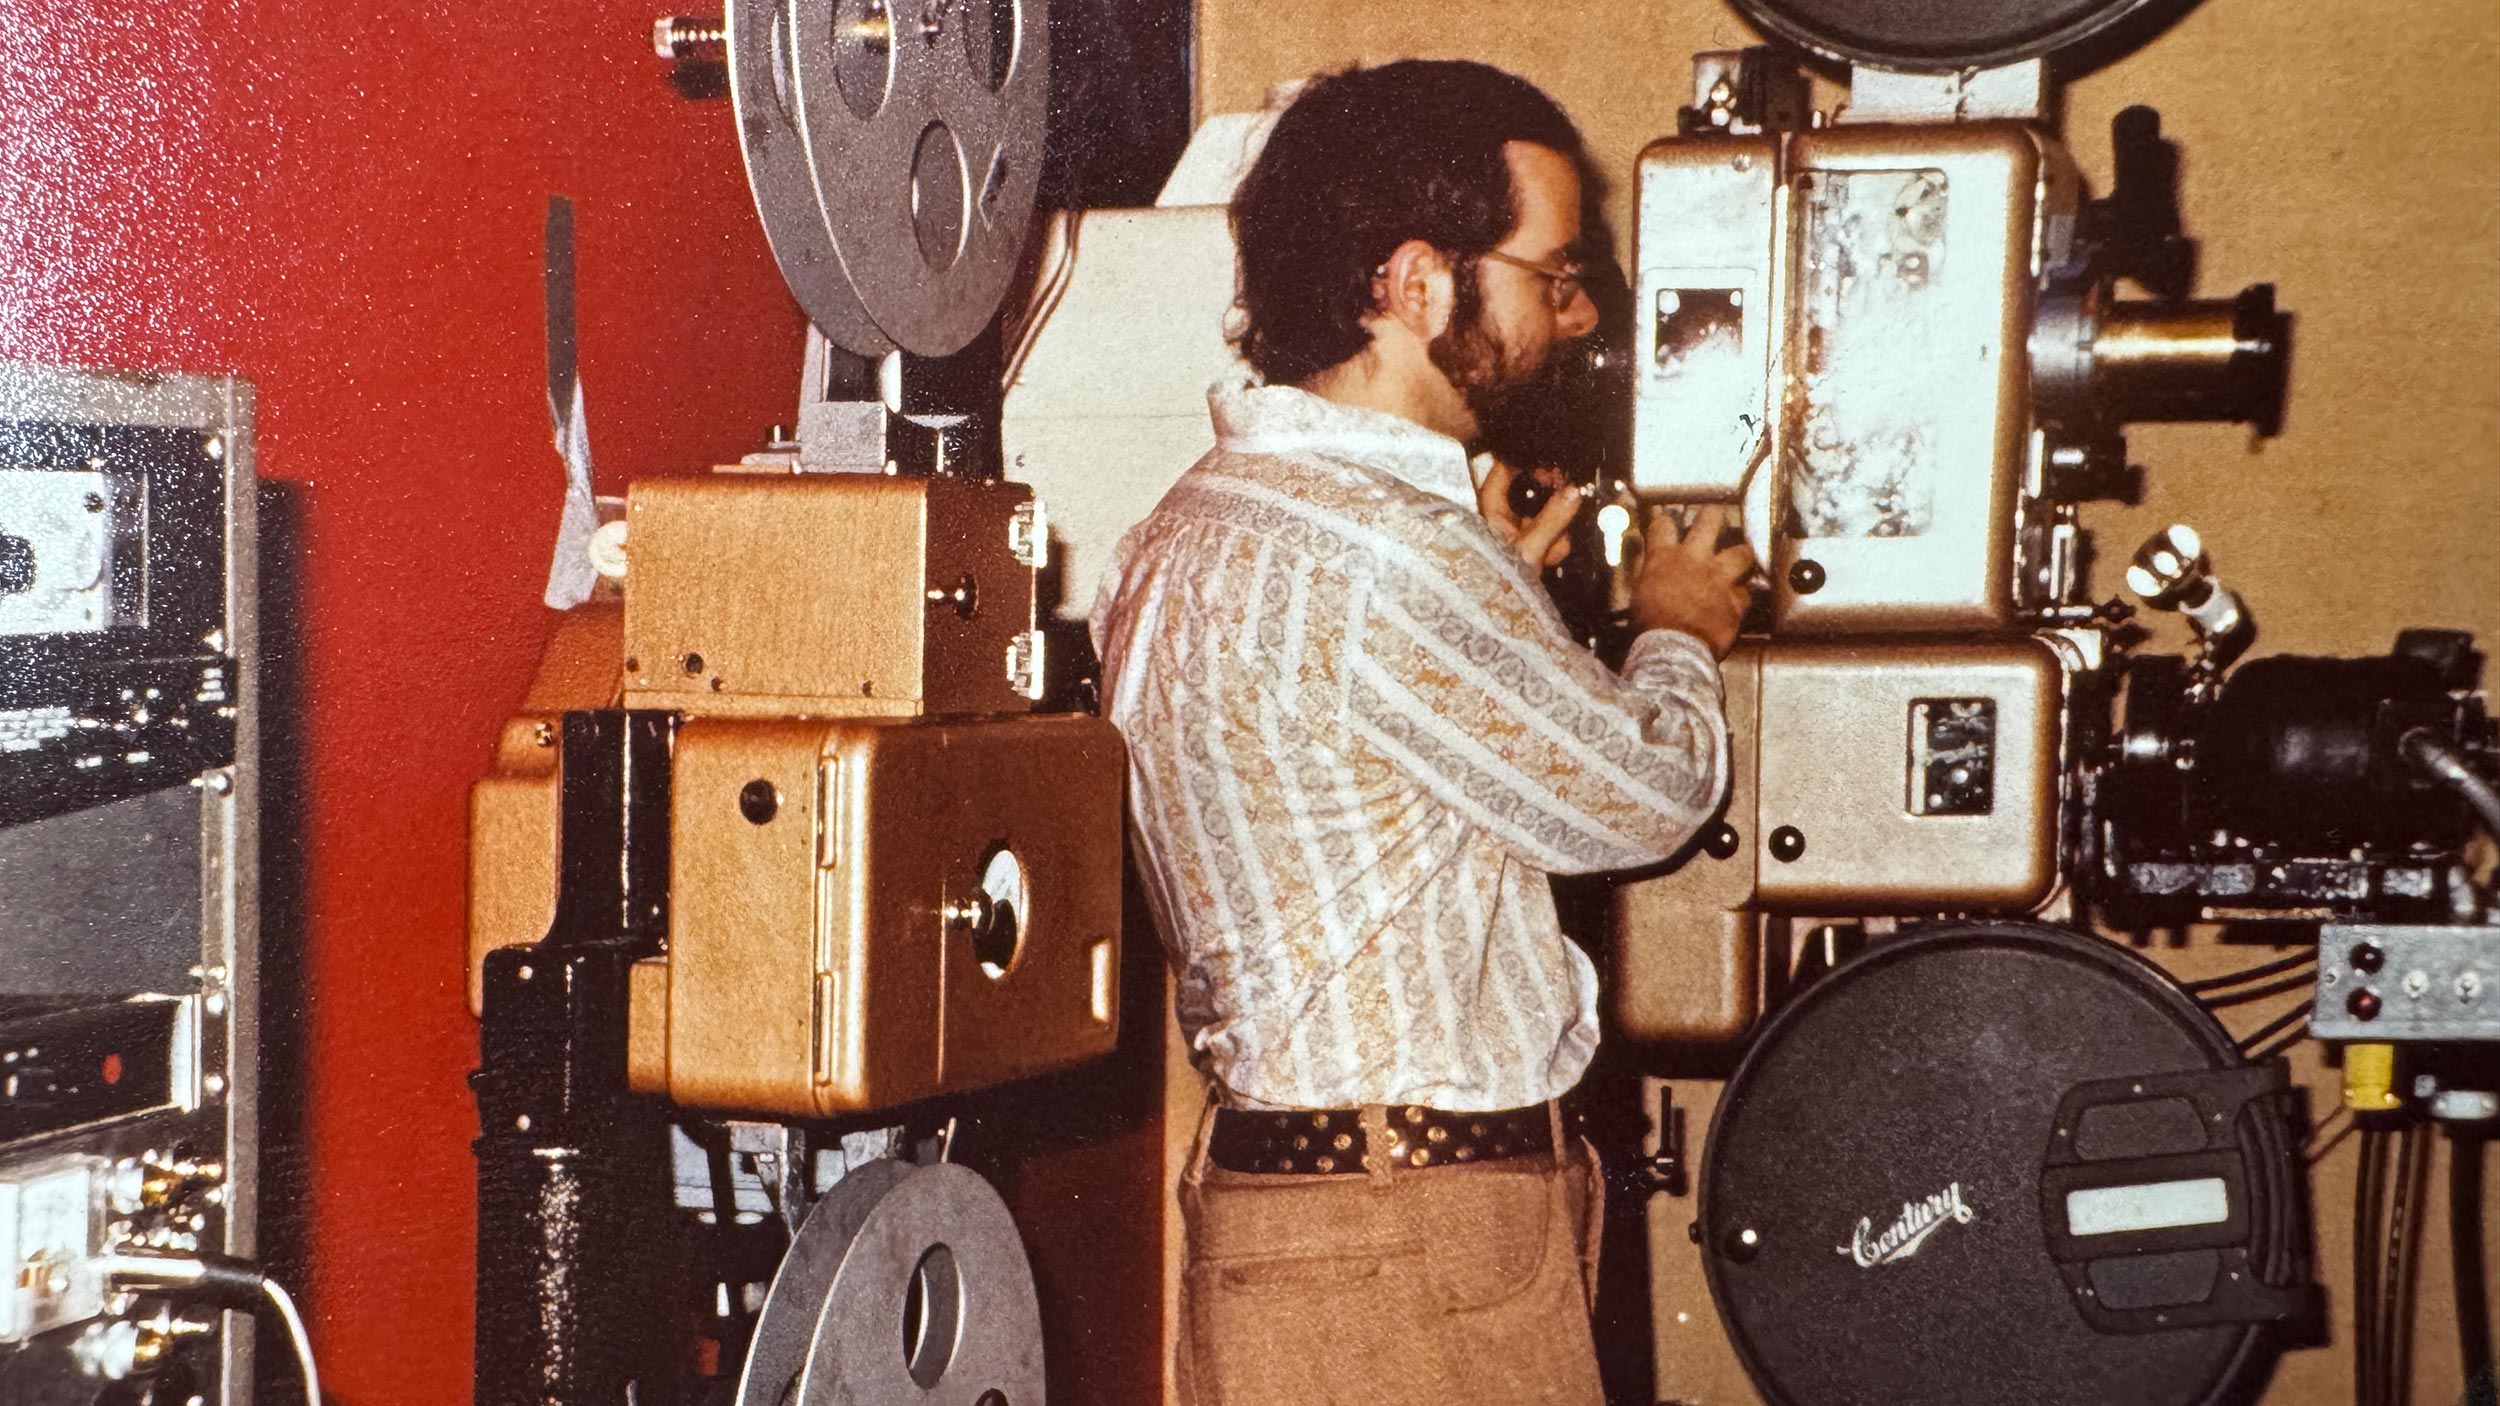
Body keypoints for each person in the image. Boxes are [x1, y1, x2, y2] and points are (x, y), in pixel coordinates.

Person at [1089, 59, 1757, 1406]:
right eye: (1552, 273)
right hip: (1417, 1229)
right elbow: (1645, 794)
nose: (1574, 316)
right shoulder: (1403, 556)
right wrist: (1677, 626)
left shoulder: (1177, 528)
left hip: (1294, 1210)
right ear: (1414, 284)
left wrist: (1500, 599)